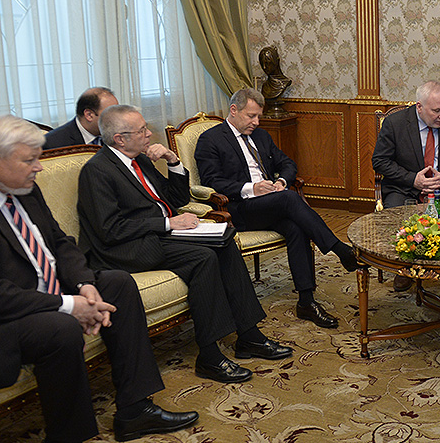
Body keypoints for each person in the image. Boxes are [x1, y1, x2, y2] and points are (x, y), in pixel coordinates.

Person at [0, 115, 198, 443]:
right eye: (30, 160)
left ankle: (135, 409)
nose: (39, 167)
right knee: (59, 328)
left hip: (37, 292)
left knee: (117, 283)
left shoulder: (19, 183)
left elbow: (58, 242)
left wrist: (84, 285)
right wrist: (69, 306)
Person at [77, 104, 293, 386]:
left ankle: (249, 336)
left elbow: (175, 199)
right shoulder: (97, 171)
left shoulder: (139, 160)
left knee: (225, 243)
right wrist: (168, 224)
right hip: (125, 248)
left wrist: (172, 161)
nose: (149, 134)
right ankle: (210, 356)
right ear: (120, 139)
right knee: (203, 258)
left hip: (156, 235)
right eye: (142, 130)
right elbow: (110, 229)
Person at [195, 88, 361, 329]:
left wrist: (281, 181)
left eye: (258, 116)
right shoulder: (211, 140)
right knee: (290, 200)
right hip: (239, 208)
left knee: (296, 227)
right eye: (251, 116)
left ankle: (306, 301)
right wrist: (252, 188)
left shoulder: (261, 136)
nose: (256, 122)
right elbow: (212, 182)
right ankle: (339, 249)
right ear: (234, 110)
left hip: (270, 204)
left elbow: (288, 163)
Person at [371, 80, 440, 305]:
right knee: (396, 213)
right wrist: (413, 180)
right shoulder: (395, 123)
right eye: (437, 111)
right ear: (419, 107)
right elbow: (380, 161)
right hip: (404, 188)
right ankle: (405, 268)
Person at [43, 87, 119, 149]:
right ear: (89, 115)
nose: (117, 119)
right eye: (111, 114)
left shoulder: (118, 135)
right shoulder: (53, 143)